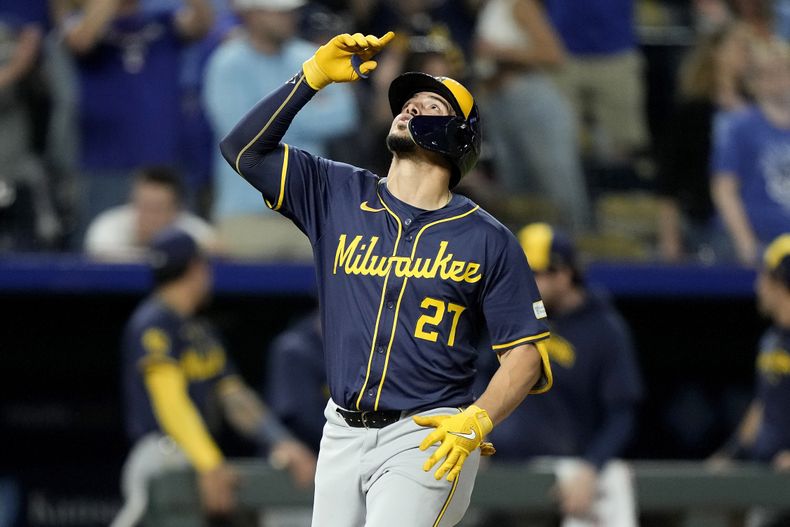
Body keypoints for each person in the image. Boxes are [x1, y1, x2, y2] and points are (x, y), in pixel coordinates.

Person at [219, 31, 553, 526]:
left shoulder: (487, 237)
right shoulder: (337, 192)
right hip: (340, 430)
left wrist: (477, 419)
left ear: (461, 137)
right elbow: (244, 150)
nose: (410, 108)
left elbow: (524, 355)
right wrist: (310, 77)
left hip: (426, 433)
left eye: (431, 105)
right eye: (407, 102)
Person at [112, 228, 316, 527]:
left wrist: (281, 442)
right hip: (161, 452)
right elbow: (170, 404)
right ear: (195, 268)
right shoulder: (152, 323)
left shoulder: (201, 332)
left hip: (196, 454)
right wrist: (210, 464)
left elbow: (235, 398)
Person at [479, 222, 643, 527]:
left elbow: (622, 414)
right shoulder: (513, 318)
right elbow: (479, 377)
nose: (524, 283)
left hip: (562, 481)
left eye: (535, 274)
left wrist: (591, 468)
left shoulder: (605, 330)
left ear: (564, 274)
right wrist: (478, 431)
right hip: (502, 473)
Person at [203, 0, 358, 260]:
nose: (290, 17)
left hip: (307, 211)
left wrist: (269, 117)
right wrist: (306, 108)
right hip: (245, 213)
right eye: (278, 12)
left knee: (326, 296)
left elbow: (344, 116)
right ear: (251, 14)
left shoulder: (313, 57)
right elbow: (242, 136)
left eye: (291, 11)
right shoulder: (226, 62)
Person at [54, 0, 214, 238]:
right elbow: (82, 41)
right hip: (105, 168)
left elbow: (202, 22)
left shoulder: (163, 21)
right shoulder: (79, 23)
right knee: (102, 258)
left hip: (164, 165)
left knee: (174, 256)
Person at [474, 0, 591, 231]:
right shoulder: (489, 8)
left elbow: (553, 54)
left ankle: (577, 255)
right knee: (518, 195)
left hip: (531, 102)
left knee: (558, 191)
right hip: (500, 105)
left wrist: (500, 52)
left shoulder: (518, 4)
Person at [711, 233, 790, 527]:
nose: (759, 286)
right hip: (768, 479)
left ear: (781, 281)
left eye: (765, 276)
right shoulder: (771, 340)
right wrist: (731, 454)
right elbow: (763, 403)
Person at [656, 22, 751, 262]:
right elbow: (669, 181)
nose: (747, 53)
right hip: (706, 220)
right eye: (739, 47)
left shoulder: (759, 108)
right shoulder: (692, 112)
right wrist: (670, 240)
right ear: (716, 52)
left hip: (755, 217)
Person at [711, 39, 790, 265]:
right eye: (768, 73)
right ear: (754, 81)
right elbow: (724, 189)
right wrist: (745, 242)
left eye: (783, 70)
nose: (778, 80)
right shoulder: (739, 127)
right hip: (757, 239)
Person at [84, 165, 216, 260]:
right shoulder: (108, 225)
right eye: (143, 206)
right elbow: (100, 253)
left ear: (177, 210)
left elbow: (216, 249)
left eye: (158, 208)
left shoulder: (189, 228)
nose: (150, 217)